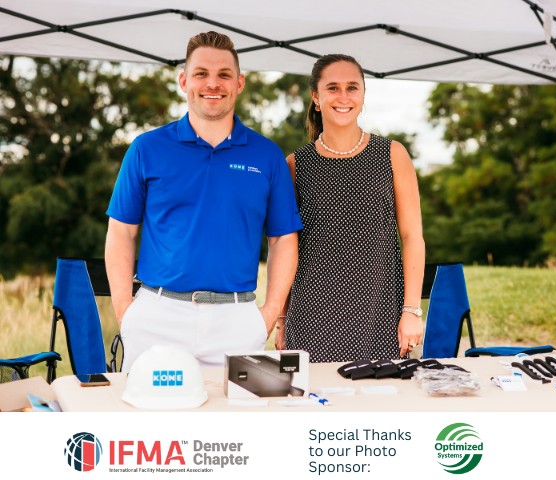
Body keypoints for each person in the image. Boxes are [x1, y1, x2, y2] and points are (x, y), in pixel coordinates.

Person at [105, 31, 302, 372]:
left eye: (224, 74)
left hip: (237, 320)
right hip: (157, 316)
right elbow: (121, 231)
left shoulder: (268, 156)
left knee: (234, 425)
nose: (213, 83)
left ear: (239, 83)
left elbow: (283, 239)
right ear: (184, 81)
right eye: (201, 74)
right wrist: (126, 308)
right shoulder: (146, 148)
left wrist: (269, 314)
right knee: (148, 422)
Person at [276, 54, 425, 362]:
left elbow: (412, 236)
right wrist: (281, 318)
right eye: (333, 88)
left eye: (352, 87)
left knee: (380, 402)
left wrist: (411, 310)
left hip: (380, 311)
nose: (343, 97)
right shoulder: (295, 165)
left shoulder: (392, 155)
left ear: (363, 95)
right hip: (310, 317)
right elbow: (284, 248)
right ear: (316, 96)